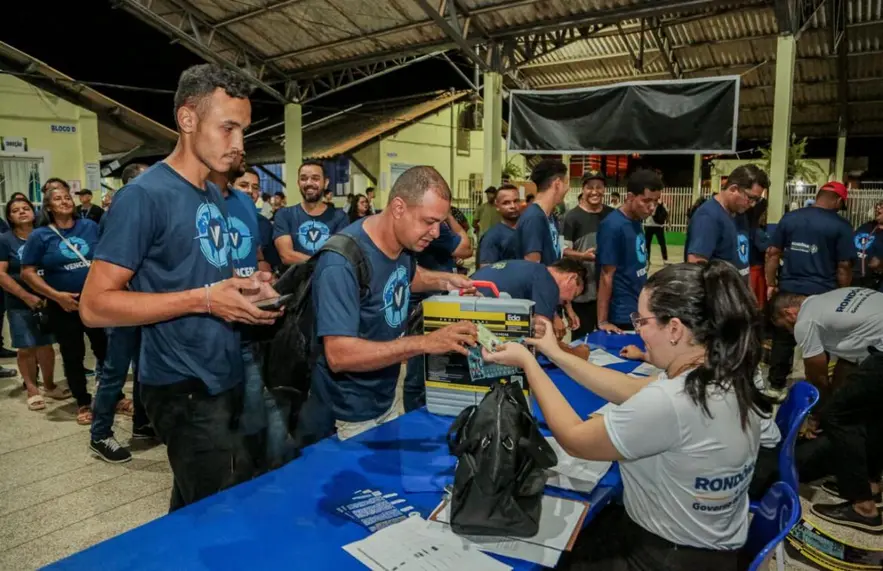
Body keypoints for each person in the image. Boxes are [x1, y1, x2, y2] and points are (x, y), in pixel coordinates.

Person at [79, 63, 280, 511]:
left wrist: (252, 287)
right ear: (187, 119)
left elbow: (204, 275)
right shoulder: (144, 196)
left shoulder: (213, 194)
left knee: (195, 509)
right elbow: (94, 305)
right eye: (227, 128)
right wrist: (204, 300)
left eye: (243, 131)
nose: (238, 144)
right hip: (181, 385)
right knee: (224, 512)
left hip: (224, 372)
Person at [485, 261, 774, 569]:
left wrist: (528, 365)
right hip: (709, 547)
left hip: (665, 555)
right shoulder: (722, 371)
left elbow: (574, 438)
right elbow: (630, 387)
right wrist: (554, 352)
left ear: (675, 328)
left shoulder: (675, 401)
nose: (639, 333)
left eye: (643, 322)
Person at [294, 166, 477, 446]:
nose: (436, 231)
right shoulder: (340, 262)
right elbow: (339, 355)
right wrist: (425, 343)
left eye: (440, 222)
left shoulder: (402, 246)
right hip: (348, 415)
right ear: (399, 207)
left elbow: (403, 278)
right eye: (429, 221)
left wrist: (445, 281)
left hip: (387, 399)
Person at [772, 288, 883, 531]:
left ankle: (863, 507)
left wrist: (819, 415)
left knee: (838, 418)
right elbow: (846, 364)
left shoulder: (806, 320)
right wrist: (837, 399)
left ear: (789, 313)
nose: (791, 334)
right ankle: (871, 484)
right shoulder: (832, 300)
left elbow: (817, 376)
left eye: (786, 328)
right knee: (871, 412)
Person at [210, 158, 294, 473]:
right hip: (210, 331)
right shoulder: (196, 202)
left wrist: (264, 280)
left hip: (249, 330)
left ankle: (266, 479)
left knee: (259, 411)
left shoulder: (244, 205)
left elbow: (256, 256)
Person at [21, 185, 108, 426]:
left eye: (67, 197)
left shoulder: (90, 226)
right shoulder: (40, 236)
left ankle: (115, 396)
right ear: (48, 207)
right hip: (63, 306)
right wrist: (56, 296)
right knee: (73, 355)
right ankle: (82, 401)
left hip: (95, 302)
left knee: (105, 350)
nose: (64, 201)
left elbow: (104, 259)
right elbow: (27, 272)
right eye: (57, 199)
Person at [89, 163, 154, 463]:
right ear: (130, 186)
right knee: (116, 371)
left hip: (147, 304)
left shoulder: (147, 210)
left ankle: (142, 422)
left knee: (145, 369)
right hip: (124, 306)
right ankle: (100, 434)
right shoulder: (119, 213)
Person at [765, 181, 855, 391]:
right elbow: (844, 266)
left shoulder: (790, 218)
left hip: (788, 291)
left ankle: (775, 387)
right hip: (821, 294)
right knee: (817, 344)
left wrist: (771, 283)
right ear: (839, 201)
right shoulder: (841, 226)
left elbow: (772, 253)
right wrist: (843, 294)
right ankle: (815, 388)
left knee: (783, 340)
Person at [403, 212, 473, 412]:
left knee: (432, 364)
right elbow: (466, 248)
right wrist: (448, 216)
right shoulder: (438, 228)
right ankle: (416, 413)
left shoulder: (430, 229)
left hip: (432, 300)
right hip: (426, 305)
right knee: (421, 368)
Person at [0, 197, 62, 410]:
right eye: (15, 210)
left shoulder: (45, 234)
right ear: (9, 217)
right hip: (19, 301)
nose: (22, 212)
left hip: (48, 299)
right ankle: (32, 388)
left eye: (26, 208)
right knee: (26, 347)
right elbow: (1, 274)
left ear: (33, 212)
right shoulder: (5, 240)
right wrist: (26, 296)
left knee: (46, 344)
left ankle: (49, 384)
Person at [596, 170, 662, 334]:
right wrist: (603, 321)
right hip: (622, 315)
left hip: (638, 307)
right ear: (631, 197)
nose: (652, 207)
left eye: (655, 201)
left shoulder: (636, 220)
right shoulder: (613, 226)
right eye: (646, 201)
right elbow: (606, 275)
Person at [685, 165, 768, 280]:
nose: (752, 204)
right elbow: (696, 266)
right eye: (750, 197)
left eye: (757, 200)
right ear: (733, 189)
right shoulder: (708, 217)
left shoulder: (740, 214)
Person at [562, 173, 614, 338]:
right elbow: (563, 251)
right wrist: (582, 256)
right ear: (583, 190)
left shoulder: (612, 215)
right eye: (590, 187)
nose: (594, 191)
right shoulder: (571, 218)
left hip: (609, 293)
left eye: (599, 187)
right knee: (582, 342)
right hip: (582, 295)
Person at [273, 160, 349, 266]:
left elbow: (340, 255)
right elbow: (287, 256)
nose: (309, 183)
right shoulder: (284, 215)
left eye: (315, 178)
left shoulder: (340, 217)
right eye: (303, 179)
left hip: (328, 281)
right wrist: (324, 263)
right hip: (295, 281)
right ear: (298, 183)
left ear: (326, 183)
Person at [471, 259, 586, 321]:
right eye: (574, 294)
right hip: (476, 313)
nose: (568, 300)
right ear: (572, 278)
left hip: (462, 300)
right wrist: (576, 353)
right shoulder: (548, 283)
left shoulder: (531, 268)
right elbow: (543, 339)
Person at [233, 167, 281, 273]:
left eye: (255, 187)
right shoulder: (215, 220)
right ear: (230, 187)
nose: (250, 191)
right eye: (243, 185)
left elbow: (269, 264)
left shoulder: (264, 225)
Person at [477, 184, 520, 267]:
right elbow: (486, 271)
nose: (513, 206)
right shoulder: (491, 237)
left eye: (516, 201)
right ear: (497, 206)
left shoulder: (529, 230)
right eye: (506, 203)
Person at [853, 200, 883, 289]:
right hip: (854, 279)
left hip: (876, 283)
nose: (877, 208)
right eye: (877, 205)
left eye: (882, 206)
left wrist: (881, 264)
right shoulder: (867, 226)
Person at [473, 186, 500, 262]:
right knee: (482, 260)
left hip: (497, 239)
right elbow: (474, 223)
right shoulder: (482, 207)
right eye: (488, 194)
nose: (490, 196)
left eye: (492, 194)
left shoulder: (499, 208)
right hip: (484, 238)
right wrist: (479, 231)